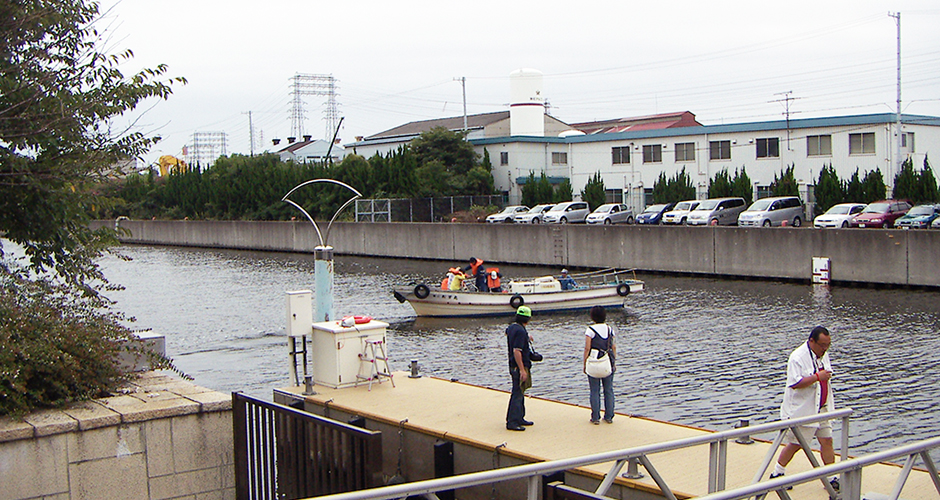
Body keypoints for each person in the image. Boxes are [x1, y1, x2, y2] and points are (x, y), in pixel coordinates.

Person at [770, 326, 839, 492]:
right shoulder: (797, 357)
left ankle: (830, 477)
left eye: (827, 345)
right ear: (812, 341)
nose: (825, 349)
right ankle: (777, 472)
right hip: (803, 409)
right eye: (822, 345)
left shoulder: (824, 355)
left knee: (827, 440)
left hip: (822, 408)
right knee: (796, 443)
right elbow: (794, 383)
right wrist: (817, 377)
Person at [582, 306, 616, 424]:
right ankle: (609, 416)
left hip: (594, 362)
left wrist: (584, 363)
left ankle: (595, 417)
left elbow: (587, 348)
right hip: (606, 362)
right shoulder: (609, 329)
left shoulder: (590, 330)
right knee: (608, 390)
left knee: (594, 391)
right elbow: (613, 346)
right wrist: (613, 362)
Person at [506, 305, 534, 431]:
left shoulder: (513, 328)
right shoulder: (520, 331)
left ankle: (519, 417)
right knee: (517, 393)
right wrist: (522, 369)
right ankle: (512, 421)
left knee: (520, 392)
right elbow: (517, 351)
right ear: (528, 318)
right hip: (518, 367)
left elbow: (508, 333)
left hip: (513, 365)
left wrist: (526, 338)